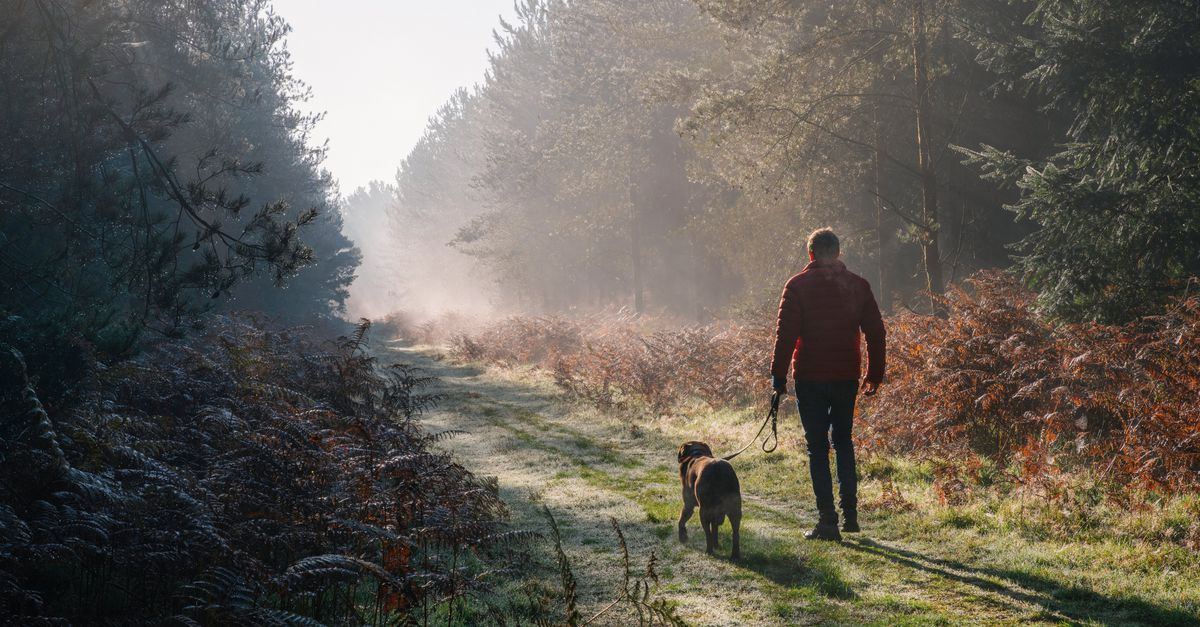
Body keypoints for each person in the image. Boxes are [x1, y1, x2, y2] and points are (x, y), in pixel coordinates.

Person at [771, 227, 886, 542]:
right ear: (837, 253)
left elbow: (786, 336)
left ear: (811, 254)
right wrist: (874, 374)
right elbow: (876, 333)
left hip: (810, 377)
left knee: (818, 447)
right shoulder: (857, 285)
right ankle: (850, 516)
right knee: (844, 442)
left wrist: (778, 376)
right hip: (846, 376)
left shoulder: (796, 286)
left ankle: (827, 522)